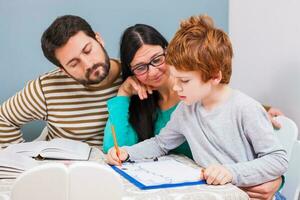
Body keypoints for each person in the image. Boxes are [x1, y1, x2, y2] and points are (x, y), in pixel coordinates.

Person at [106, 15, 288, 199]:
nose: (176, 87)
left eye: (184, 80)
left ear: (214, 76)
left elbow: (278, 159)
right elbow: (161, 144)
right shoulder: (186, 109)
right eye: (175, 78)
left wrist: (231, 172)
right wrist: (127, 152)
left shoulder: (245, 108)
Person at [0, 15, 122, 148]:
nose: (88, 64)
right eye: (74, 63)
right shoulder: (47, 88)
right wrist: (23, 160)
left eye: (88, 50)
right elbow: (3, 119)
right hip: (68, 165)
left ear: (99, 39)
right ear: (63, 70)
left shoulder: (136, 74)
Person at [102, 24, 192, 158]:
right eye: (140, 67)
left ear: (167, 51)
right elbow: (114, 148)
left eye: (157, 60)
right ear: (131, 71)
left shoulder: (193, 90)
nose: (153, 72)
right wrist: (123, 93)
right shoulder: (142, 102)